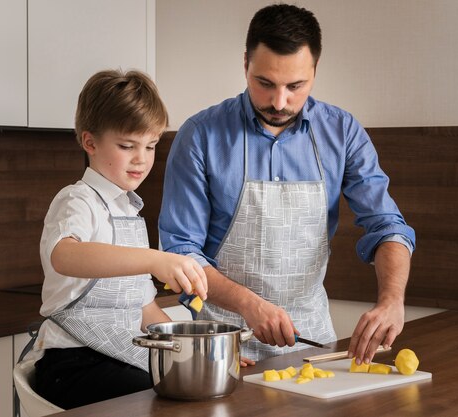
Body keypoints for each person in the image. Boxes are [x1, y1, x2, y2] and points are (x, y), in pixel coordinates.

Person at [159, 4, 415, 366]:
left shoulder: (342, 132)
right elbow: (180, 253)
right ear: (245, 63)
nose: (279, 102)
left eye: (296, 86)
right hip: (225, 347)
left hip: (314, 345)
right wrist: (249, 305)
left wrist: (392, 301)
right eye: (265, 83)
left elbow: (387, 226)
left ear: (315, 70)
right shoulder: (199, 136)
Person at [32, 69, 208, 409]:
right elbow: (64, 255)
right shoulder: (77, 201)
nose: (141, 158)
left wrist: (194, 354)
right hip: (71, 364)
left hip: (118, 357)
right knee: (164, 400)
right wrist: (156, 259)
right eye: (127, 146)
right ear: (90, 142)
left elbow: (145, 310)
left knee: (187, 386)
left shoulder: (130, 213)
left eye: (151, 146)